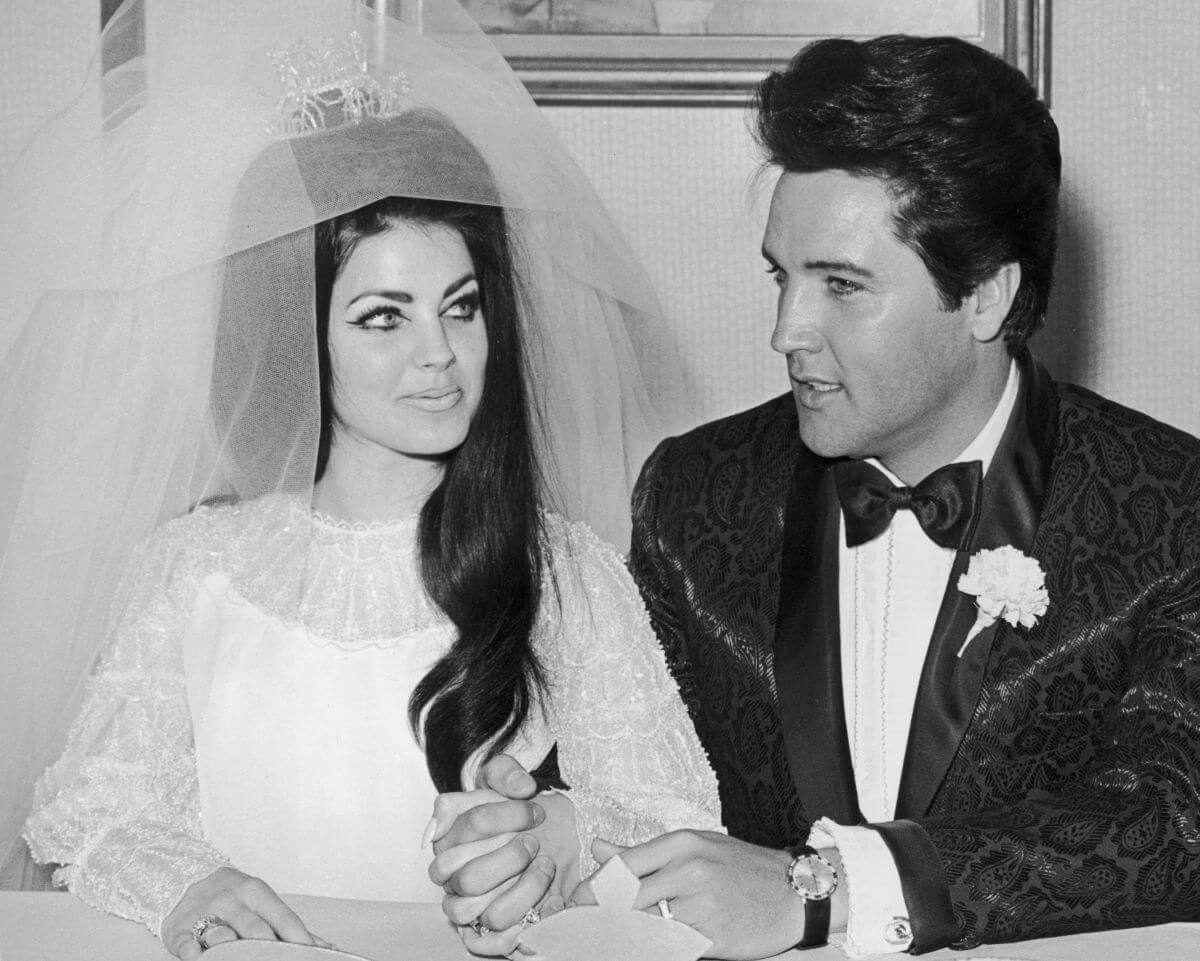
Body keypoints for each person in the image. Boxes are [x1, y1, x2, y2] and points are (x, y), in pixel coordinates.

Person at [434, 33, 1200, 959]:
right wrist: (561, 829)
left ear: (989, 297)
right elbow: (644, 775)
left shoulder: (1171, 508)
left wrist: (827, 888)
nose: (786, 329)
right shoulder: (694, 494)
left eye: (841, 284)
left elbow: (1170, 820)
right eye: (782, 275)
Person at [2, 0, 720, 958]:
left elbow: (674, 821)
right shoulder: (196, 566)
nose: (441, 355)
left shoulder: (565, 572)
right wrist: (186, 884)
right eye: (386, 317)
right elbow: (93, 808)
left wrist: (564, 836)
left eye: (460, 308)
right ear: (298, 337)